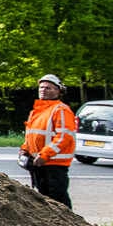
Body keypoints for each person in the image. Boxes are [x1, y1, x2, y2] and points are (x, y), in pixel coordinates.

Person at [20, 73, 77, 208]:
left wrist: (45, 155)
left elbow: (64, 137)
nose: (43, 90)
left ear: (58, 91)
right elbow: (31, 135)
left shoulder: (61, 110)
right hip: (39, 163)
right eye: (41, 87)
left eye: (48, 88)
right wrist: (25, 149)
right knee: (44, 199)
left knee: (57, 200)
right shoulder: (37, 111)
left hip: (54, 164)